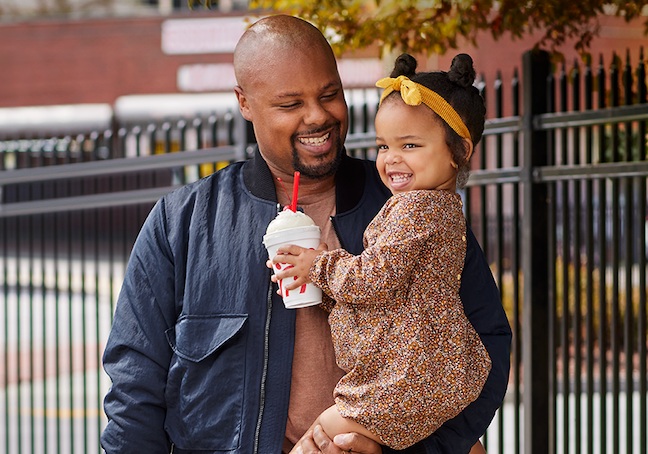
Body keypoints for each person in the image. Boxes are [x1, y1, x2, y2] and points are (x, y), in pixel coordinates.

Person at [100, 14, 512, 454]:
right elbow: (135, 387)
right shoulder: (181, 222)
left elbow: (486, 345)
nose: (317, 116)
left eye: (330, 94)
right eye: (290, 104)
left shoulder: (411, 205)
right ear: (244, 102)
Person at [271, 52, 492, 451]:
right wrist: (320, 275)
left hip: (408, 373)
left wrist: (319, 265)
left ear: (459, 150)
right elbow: (388, 299)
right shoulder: (438, 207)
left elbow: (373, 279)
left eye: (409, 144)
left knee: (319, 438)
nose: (391, 159)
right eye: (383, 145)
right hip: (430, 368)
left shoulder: (416, 210)